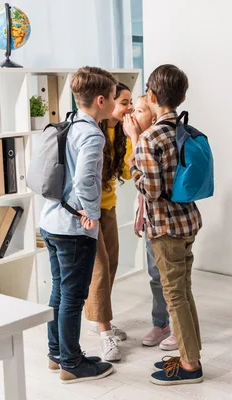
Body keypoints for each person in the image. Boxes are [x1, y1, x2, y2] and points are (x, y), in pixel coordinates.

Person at [123, 64, 204, 385]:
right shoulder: (183, 129)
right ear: (182, 96)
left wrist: (134, 163)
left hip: (165, 229)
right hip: (187, 222)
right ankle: (190, 354)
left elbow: (151, 190)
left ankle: (190, 366)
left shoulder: (150, 137)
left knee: (174, 295)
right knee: (184, 292)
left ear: (153, 96)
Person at [40, 66, 118, 383]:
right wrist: (92, 214)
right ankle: (73, 363)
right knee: (73, 297)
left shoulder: (70, 124)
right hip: (73, 229)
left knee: (59, 291)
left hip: (51, 221)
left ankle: (57, 354)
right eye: (114, 97)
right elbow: (86, 179)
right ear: (100, 100)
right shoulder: (92, 134)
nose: (115, 102)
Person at [84, 82, 134, 362]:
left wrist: (134, 135)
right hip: (88, 211)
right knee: (100, 267)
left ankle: (97, 318)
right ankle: (105, 335)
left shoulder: (120, 134)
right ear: (108, 101)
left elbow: (127, 169)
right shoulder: (94, 131)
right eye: (123, 102)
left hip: (108, 207)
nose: (128, 108)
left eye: (129, 103)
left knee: (111, 263)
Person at [130, 95, 178, 352]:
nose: (134, 115)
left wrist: (133, 139)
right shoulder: (142, 139)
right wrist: (139, 216)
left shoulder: (151, 139)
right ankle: (162, 324)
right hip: (150, 219)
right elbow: (142, 194)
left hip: (164, 220)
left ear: (152, 113)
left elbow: (150, 186)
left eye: (139, 110)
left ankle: (172, 324)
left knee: (167, 277)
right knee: (155, 276)